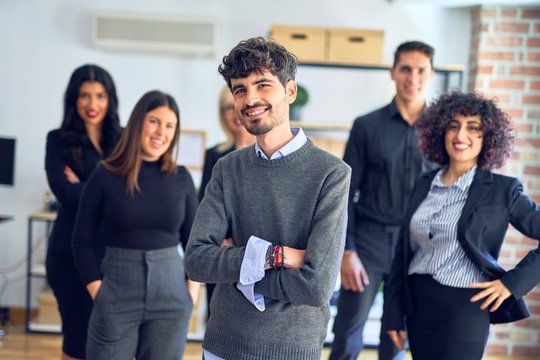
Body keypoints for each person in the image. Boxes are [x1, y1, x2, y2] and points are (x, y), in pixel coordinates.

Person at [184, 37, 351, 360]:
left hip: (292, 348)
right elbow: (196, 261)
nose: (251, 98)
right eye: (240, 89)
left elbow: (317, 286)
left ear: (289, 91)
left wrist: (237, 273)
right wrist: (278, 255)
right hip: (223, 346)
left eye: (263, 85)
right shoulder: (227, 169)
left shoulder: (331, 174)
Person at [383, 91, 540, 360]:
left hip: (465, 310)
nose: (460, 136)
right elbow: (402, 255)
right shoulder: (424, 183)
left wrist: (511, 283)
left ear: (488, 137)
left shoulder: (503, 190)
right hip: (418, 308)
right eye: (453, 126)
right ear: (440, 131)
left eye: (473, 128)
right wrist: (393, 315)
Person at [72, 90, 198, 359]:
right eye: (153, 121)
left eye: (169, 126)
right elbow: (81, 242)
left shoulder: (181, 178)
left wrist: (191, 295)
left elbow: (195, 243)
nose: (160, 132)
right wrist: (100, 293)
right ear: (138, 123)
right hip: (116, 290)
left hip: (171, 295)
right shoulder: (104, 175)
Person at [329, 41, 436, 360]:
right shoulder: (367, 126)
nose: (412, 77)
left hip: (419, 247)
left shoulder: (444, 130)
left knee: (399, 336)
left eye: (421, 70)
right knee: (348, 333)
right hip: (369, 242)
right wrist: (347, 252)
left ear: (431, 75)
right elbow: (344, 193)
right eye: (405, 69)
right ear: (392, 72)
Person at [45, 64, 121, 360]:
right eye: (85, 96)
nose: (92, 104)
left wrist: (84, 186)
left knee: (112, 340)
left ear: (109, 99)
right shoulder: (57, 140)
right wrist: (106, 191)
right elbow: (64, 193)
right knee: (77, 339)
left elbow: (132, 193)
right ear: (73, 99)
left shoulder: (123, 139)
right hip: (69, 256)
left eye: (100, 96)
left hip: (114, 255)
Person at [199, 84, 255, 318]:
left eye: (237, 106)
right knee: (219, 318)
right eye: (226, 108)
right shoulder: (215, 155)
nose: (233, 113)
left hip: (256, 250)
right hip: (221, 251)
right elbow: (205, 203)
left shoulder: (265, 153)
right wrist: (219, 239)